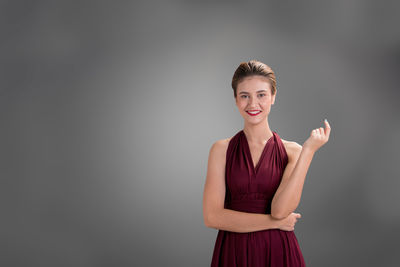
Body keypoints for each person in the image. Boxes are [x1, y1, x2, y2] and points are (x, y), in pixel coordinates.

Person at [202, 60, 331, 266]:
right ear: (235, 99)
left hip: (279, 251)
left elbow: (280, 210)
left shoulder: (293, 151)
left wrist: (308, 151)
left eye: (261, 95)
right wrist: (275, 223)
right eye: (245, 96)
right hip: (234, 252)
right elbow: (212, 217)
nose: (253, 104)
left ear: (273, 97)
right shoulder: (221, 150)